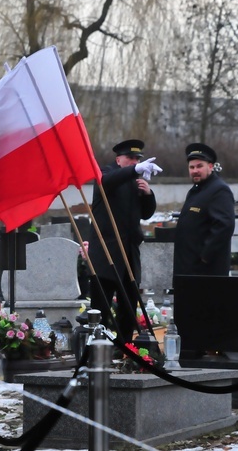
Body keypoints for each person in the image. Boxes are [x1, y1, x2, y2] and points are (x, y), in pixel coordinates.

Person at [88, 139, 161, 341]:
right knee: (101, 308)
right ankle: (97, 349)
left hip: (129, 252)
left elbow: (146, 214)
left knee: (128, 308)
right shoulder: (107, 173)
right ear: (118, 159)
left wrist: (148, 194)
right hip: (106, 253)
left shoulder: (133, 179)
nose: (134, 162)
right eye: (130, 158)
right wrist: (134, 170)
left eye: (138, 159)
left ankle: (125, 348)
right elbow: (107, 181)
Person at [173, 142, 235, 276]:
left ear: (211, 166)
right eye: (192, 167)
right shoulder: (196, 190)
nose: (195, 170)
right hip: (188, 268)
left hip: (206, 271)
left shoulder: (219, 190)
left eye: (200, 166)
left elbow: (225, 225)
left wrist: (205, 256)